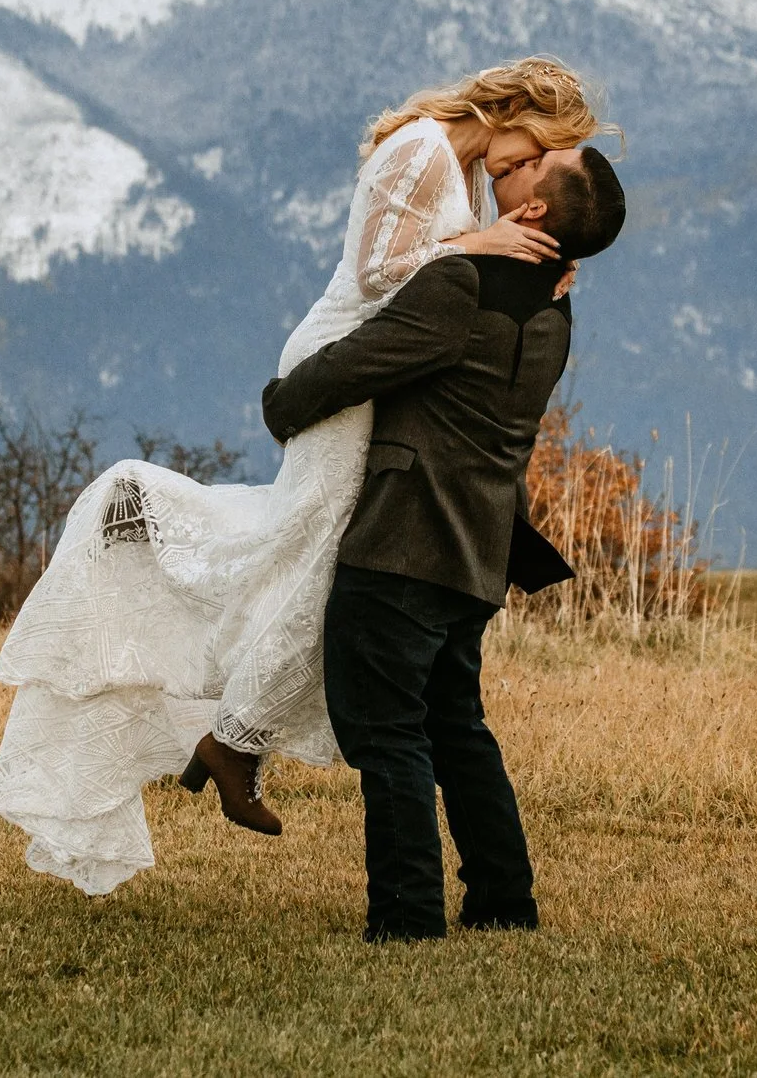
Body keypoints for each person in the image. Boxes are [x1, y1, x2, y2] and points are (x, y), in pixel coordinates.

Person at [0, 58, 605, 895]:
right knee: (310, 554)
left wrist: (524, 253)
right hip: (356, 382)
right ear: (514, 112)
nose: (516, 182)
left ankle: (240, 742)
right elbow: (379, 273)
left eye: (533, 171)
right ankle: (187, 615)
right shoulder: (433, 161)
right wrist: (485, 248)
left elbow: (428, 300)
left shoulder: (469, 199)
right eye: (528, 155)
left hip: (384, 407)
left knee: (316, 561)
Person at [262, 145, 627, 940]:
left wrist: (281, 402)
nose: (517, 159)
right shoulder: (557, 308)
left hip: (404, 537)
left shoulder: (465, 285)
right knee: (455, 724)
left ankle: (407, 913)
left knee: (386, 730)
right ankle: (503, 897)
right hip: (481, 548)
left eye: (537, 162)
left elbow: (360, 362)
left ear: (535, 208)